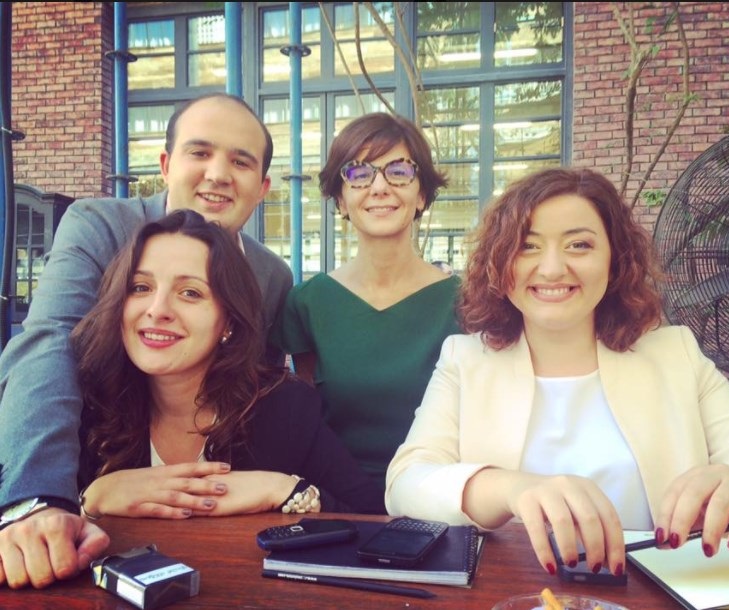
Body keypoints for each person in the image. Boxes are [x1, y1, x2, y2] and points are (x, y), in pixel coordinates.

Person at [386, 168, 729, 579]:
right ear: (500, 263)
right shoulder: (465, 359)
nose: (552, 269)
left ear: (615, 259)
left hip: (657, 595)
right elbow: (404, 486)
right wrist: (511, 489)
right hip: (512, 593)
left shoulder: (675, 355)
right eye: (527, 246)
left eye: (579, 244)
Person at [0, 93, 292, 589]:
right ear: (166, 165)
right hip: (87, 507)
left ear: (262, 187)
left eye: (240, 161)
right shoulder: (100, 226)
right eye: (200, 152)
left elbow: (254, 396)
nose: (218, 174)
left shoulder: (271, 275)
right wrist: (39, 499)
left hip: (218, 537)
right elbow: (50, 340)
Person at [72, 210, 383, 521]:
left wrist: (282, 489)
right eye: (141, 287)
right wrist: (93, 499)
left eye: (190, 293)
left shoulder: (284, 407)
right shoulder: (86, 404)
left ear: (229, 323)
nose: (157, 310)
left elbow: (372, 520)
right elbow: (50, 523)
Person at [271, 113, 460, 494]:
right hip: (334, 497)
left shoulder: (466, 303)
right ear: (341, 199)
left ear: (422, 194)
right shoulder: (309, 303)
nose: (379, 187)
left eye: (399, 171)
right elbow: (309, 423)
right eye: (359, 173)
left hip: (437, 496)